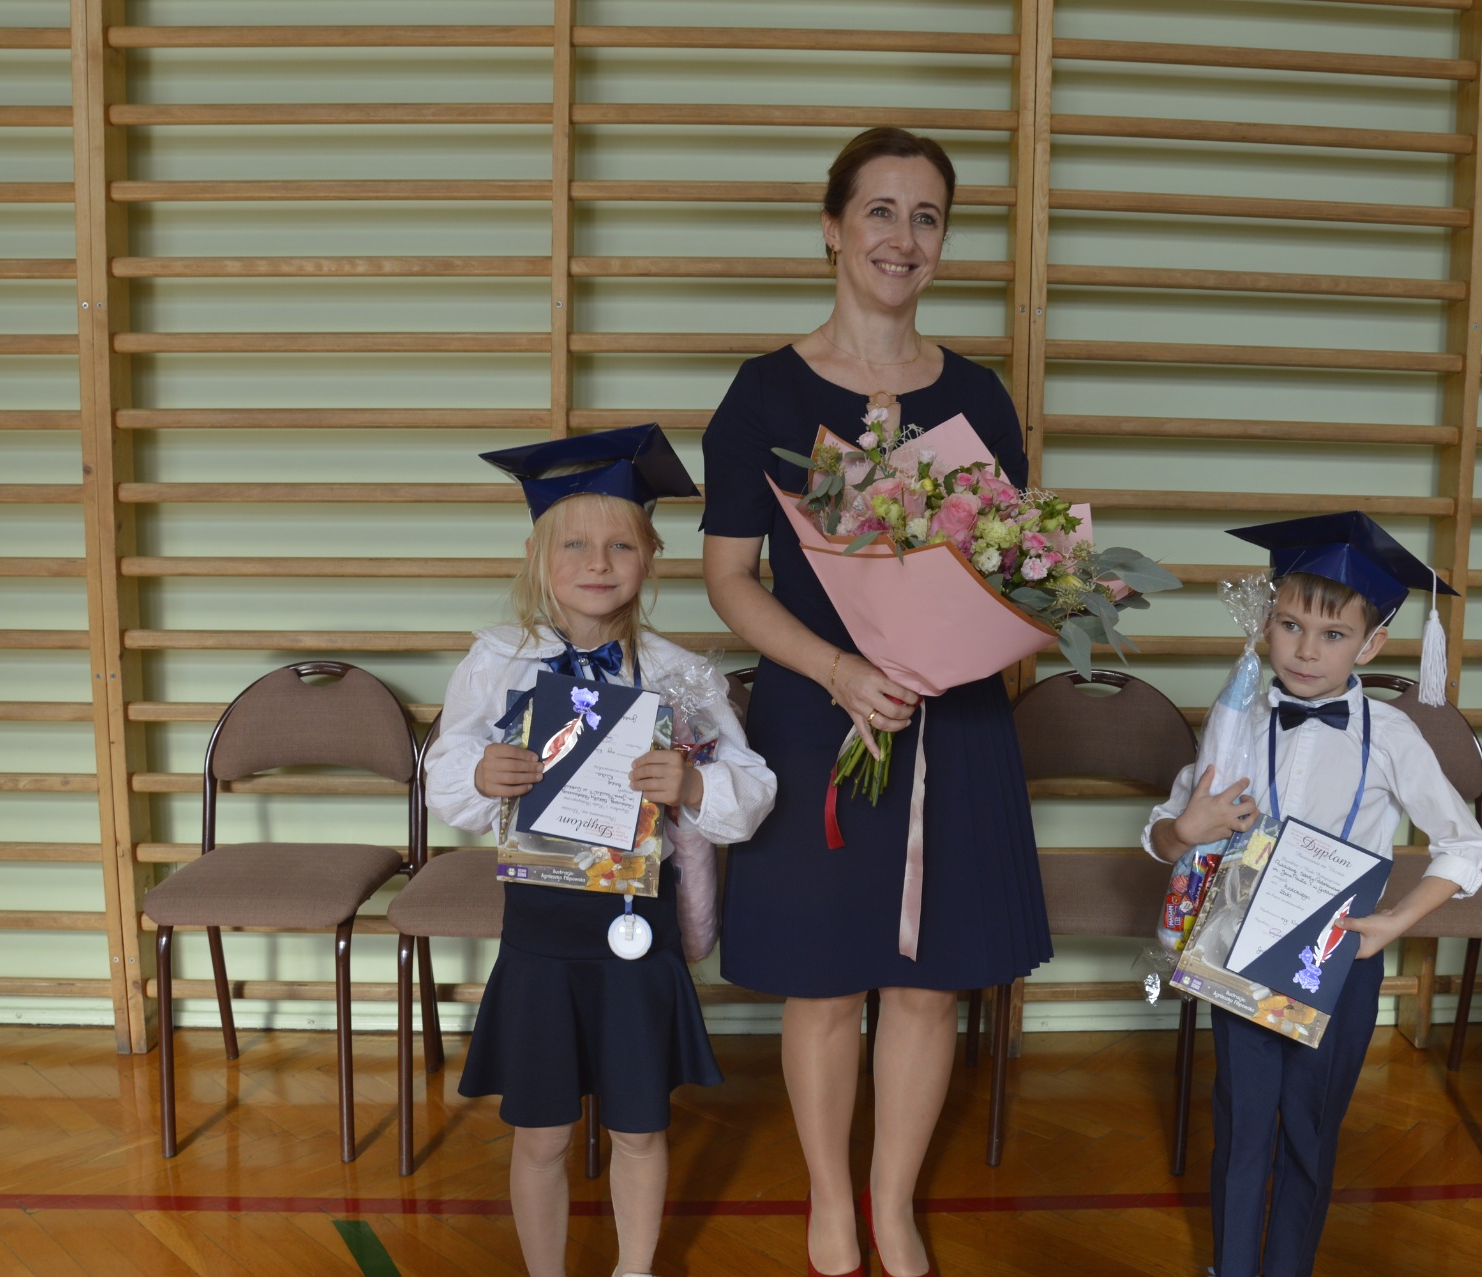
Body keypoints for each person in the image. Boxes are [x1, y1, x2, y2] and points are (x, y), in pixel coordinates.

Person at [701, 127, 1052, 1277]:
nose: (904, 237)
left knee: (930, 983)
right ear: (833, 227)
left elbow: (1006, 569)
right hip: (819, 713)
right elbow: (730, 577)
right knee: (823, 982)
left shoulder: (978, 396)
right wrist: (840, 669)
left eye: (928, 215)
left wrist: (971, 640)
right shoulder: (764, 392)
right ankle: (830, 1201)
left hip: (954, 720)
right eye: (881, 211)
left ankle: (892, 1201)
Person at [424, 424, 777, 1277]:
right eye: (574, 543)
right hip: (540, 935)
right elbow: (445, 778)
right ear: (537, 555)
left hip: (636, 935)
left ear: (651, 555)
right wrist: (482, 771)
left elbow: (753, 789)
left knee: (639, 1126)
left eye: (621, 543)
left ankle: (635, 1269)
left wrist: (692, 785)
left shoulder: (682, 676)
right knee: (540, 1132)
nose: (598, 561)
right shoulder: (498, 662)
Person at [1145, 511, 1482, 1277]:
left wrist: (1395, 921)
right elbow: (1163, 838)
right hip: (1239, 947)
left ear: (1372, 644)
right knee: (1242, 1125)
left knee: (1309, 1129)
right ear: (1265, 623)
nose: (1306, 650)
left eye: (1333, 634)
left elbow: (1466, 844)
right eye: (1291, 625)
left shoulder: (1393, 734)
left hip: (1341, 956)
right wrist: (1186, 828)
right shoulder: (1236, 718)